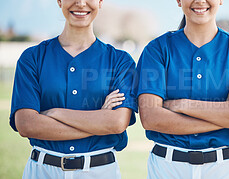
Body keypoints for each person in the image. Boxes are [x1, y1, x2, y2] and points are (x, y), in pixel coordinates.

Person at [9, 0, 137, 178]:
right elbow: (26, 124)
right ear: (59, 1)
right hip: (42, 171)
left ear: (100, 2)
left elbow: (116, 123)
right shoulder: (32, 58)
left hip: (99, 172)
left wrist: (55, 113)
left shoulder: (120, 61)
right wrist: (99, 120)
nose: (81, 3)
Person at [136, 0, 229, 178]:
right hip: (168, 167)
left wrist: (183, 105)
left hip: (225, 167)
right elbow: (151, 118)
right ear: (179, 1)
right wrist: (225, 117)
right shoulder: (157, 49)